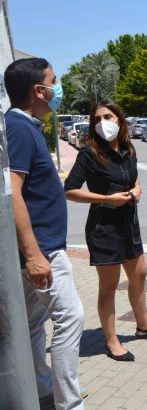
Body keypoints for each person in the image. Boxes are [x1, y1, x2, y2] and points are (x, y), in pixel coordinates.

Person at [4, 58, 85, 409]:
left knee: (34, 324)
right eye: (54, 81)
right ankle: (69, 403)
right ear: (39, 90)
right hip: (42, 251)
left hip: (40, 249)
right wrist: (35, 255)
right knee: (71, 317)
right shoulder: (19, 128)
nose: (58, 87)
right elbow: (13, 192)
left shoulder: (25, 126)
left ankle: (41, 393)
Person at [64, 101, 147, 362]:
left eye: (108, 116)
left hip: (129, 222)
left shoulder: (127, 149)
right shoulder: (89, 154)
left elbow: (134, 178)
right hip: (104, 226)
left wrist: (137, 190)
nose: (103, 123)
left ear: (120, 119)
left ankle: (143, 323)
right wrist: (106, 198)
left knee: (140, 275)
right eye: (97, 119)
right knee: (109, 286)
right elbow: (70, 189)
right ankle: (112, 341)